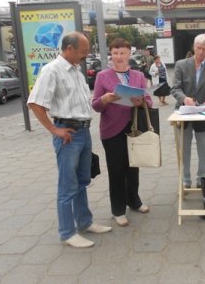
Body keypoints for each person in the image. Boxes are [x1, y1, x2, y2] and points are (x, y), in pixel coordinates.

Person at [27, 32, 112, 248]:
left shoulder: (76, 71)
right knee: (67, 185)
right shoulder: (52, 70)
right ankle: (67, 232)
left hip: (83, 132)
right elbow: (35, 103)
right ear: (69, 48)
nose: (86, 55)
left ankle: (84, 222)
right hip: (68, 135)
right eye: (83, 51)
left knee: (82, 181)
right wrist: (54, 130)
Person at [92, 38, 152, 228]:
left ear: (129, 54)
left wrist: (141, 102)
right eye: (115, 53)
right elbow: (95, 105)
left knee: (133, 167)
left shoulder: (138, 75)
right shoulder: (102, 76)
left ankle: (134, 201)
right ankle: (118, 210)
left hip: (134, 128)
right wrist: (105, 99)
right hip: (111, 130)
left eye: (122, 53)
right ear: (111, 55)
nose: (119, 57)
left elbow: (149, 101)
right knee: (116, 170)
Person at [171, 34, 205, 189]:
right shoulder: (181, 65)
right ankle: (186, 179)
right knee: (183, 148)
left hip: (203, 114)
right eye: (198, 48)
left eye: (204, 49)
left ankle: (202, 177)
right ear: (193, 47)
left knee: (204, 148)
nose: (200, 52)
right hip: (184, 113)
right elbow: (175, 88)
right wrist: (184, 98)